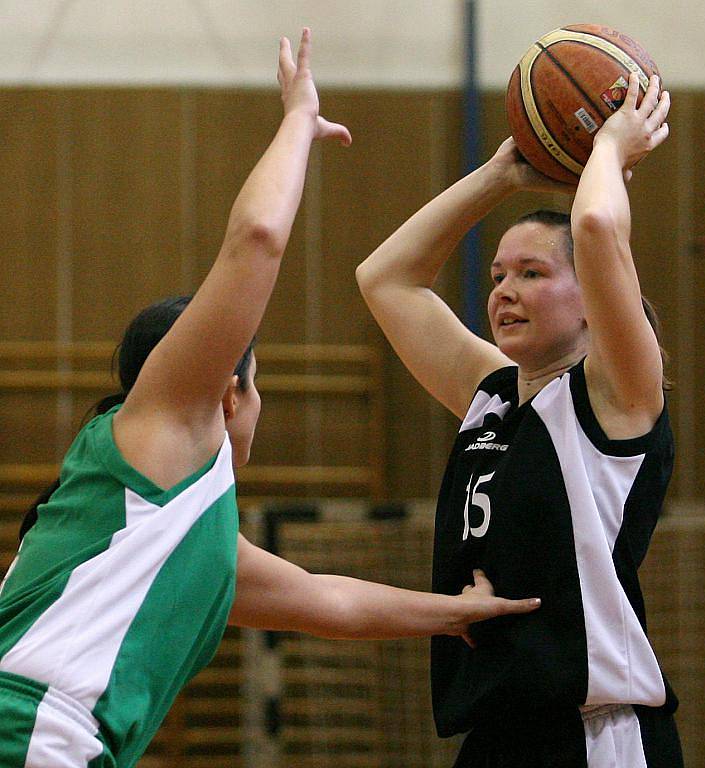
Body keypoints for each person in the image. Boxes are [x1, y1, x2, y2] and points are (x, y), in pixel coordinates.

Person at [0, 30, 540, 768]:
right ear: (229, 391)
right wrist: (297, 120)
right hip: (29, 735)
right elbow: (255, 238)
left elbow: (330, 604)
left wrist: (458, 615)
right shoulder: (167, 427)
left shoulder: (174, 519)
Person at [356, 72, 683, 767]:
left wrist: (610, 148)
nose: (504, 290)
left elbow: (595, 224)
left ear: (592, 297)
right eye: (499, 275)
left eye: (532, 273)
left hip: (595, 733)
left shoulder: (619, 394)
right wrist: (502, 173)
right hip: (497, 734)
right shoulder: (493, 395)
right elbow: (385, 278)